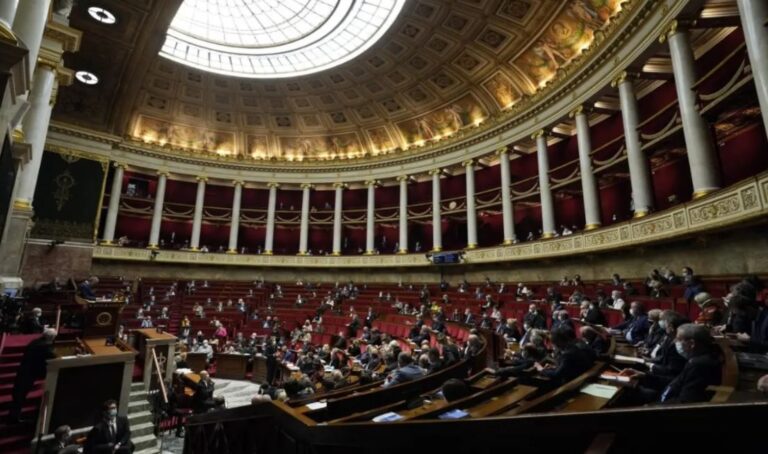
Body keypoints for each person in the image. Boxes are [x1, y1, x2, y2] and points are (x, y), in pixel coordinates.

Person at [660, 324, 722, 404]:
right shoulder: (696, 358)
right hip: (667, 396)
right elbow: (678, 382)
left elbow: (686, 402)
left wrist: (652, 408)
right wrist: (646, 376)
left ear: (692, 343)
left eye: (678, 339)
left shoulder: (699, 365)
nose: (675, 341)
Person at [9, 328, 57, 423]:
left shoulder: (35, 341)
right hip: (28, 374)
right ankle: (13, 419)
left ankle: (13, 417)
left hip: (24, 371)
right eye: (54, 337)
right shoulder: (44, 346)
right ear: (51, 337)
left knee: (18, 396)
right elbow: (53, 356)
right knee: (20, 396)